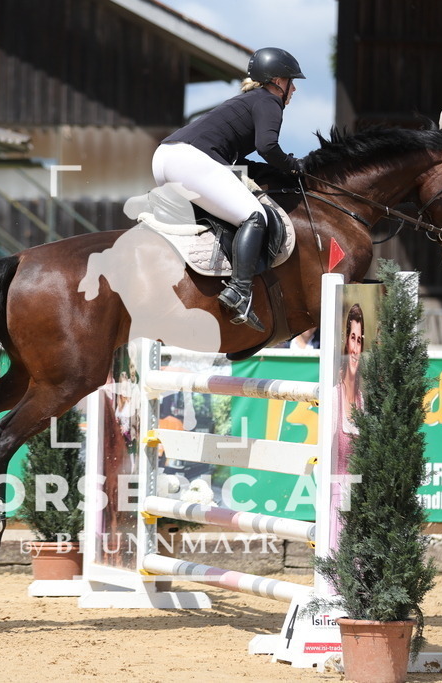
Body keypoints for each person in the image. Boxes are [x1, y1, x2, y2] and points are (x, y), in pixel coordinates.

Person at [151, 47, 306, 333]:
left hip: (165, 158)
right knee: (255, 216)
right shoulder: (269, 101)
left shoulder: (249, 100)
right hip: (189, 161)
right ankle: (239, 291)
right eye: (290, 80)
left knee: (228, 215)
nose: (293, 88)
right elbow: (268, 147)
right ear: (275, 81)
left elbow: (242, 161)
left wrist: (276, 170)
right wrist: (294, 166)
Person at [330, 303, 364, 550]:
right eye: (353, 338)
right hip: (335, 499)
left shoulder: (364, 399)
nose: (355, 347)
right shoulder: (333, 395)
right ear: (345, 342)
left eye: (360, 340)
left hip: (361, 498)